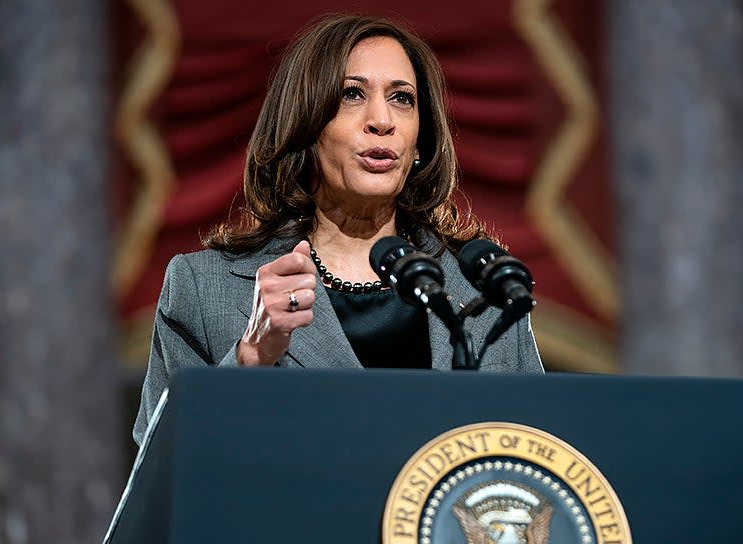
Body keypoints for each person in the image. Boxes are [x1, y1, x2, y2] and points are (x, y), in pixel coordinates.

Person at [133, 14, 544, 446]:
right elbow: (158, 468)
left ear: (421, 139)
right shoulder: (204, 287)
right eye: (352, 94)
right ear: (305, 123)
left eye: (403, 98)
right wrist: (249, 358)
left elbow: (540, 455)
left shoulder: (487, 290)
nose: (381, 120)